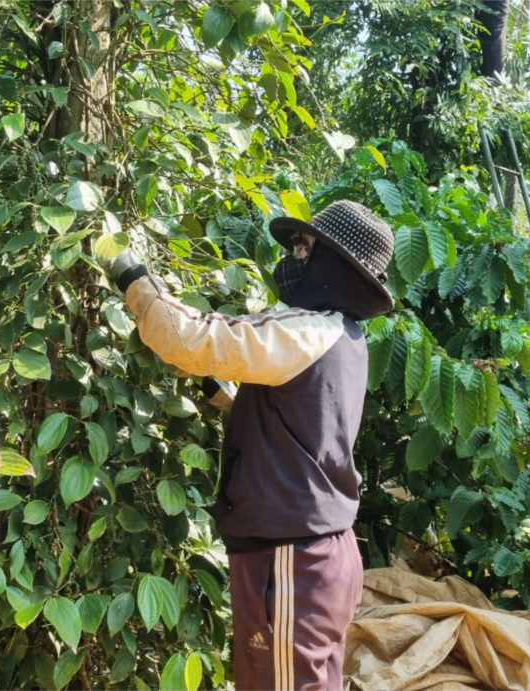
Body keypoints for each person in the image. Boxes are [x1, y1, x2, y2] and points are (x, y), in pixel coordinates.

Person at [105, 200, 396, 691]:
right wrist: (224, 395)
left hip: (290, 559)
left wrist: (128, 271)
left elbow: (187, 336)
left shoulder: (304, 330)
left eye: (305, 247)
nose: (292, 257)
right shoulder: (344, 338)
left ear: (335, 267)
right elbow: (297, 418)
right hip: (320, 552)